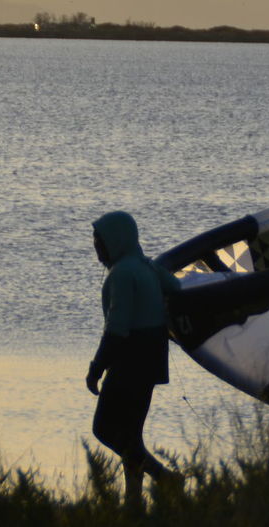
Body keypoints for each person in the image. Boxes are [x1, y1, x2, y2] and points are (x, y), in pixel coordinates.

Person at [86, 210, 182, 509]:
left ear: (115, 240)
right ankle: (133, 503)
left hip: (129, 360)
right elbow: (176, 288)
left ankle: (164, 477)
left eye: (99, 241)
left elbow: (117, 327)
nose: (96, 248)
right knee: (131, 435)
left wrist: (96, 368)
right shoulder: (147, 266)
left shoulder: (122, 274)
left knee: (104, 429)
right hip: (152, 358)